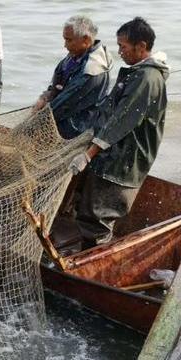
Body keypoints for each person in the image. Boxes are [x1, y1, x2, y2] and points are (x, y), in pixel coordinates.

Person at [69, 17, 169, 248]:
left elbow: (121, 120)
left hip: (124, 162)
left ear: (141, 46)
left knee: (98, 218)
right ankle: (88, 253)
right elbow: (110, 110)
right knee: (89, 211)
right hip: (114, 156)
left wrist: (87, 154)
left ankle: (93, 266)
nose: (119, 51)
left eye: (123, 46)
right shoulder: (140, 73)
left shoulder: (147, 77)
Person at [34, 16, 113, 139]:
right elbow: (57, 82)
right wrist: (45, 96)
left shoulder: (92, 69)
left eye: (69, 40)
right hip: (63, 115)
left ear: (86, 40)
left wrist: (34, 123)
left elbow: (65, 103)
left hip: (78, 126)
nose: (65, 45)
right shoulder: (75, 55)